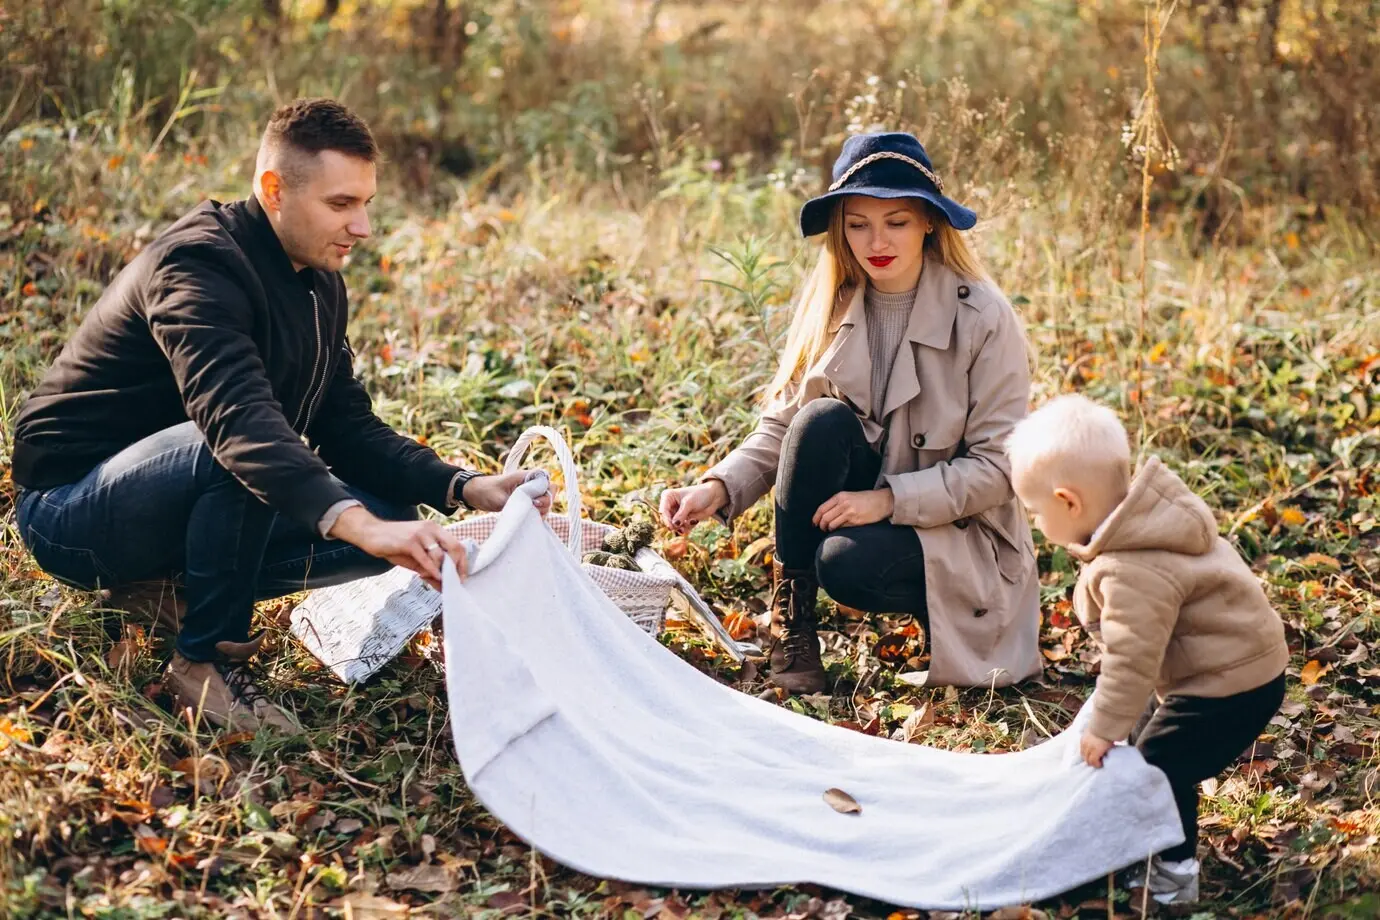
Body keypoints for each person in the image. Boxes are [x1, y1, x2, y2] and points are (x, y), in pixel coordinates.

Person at [10, 98, 550, 734]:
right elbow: (237, 422)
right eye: (341, 204)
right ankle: (203, 661)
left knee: (390, 517)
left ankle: (160, 591)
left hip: (179, 490)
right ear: (273, 190)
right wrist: (353, 524)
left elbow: (345, 423)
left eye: (367, 202)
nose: (364, 226)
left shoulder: (320, 281)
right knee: (239, 453)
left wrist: (460, 485)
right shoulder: (197, 266)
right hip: (71, 508)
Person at [660, 131, 1042, 693]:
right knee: (819, 421)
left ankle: (945, 617)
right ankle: (794, 623)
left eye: (897, 222)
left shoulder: (983, 316)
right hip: (874, 496)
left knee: (846, 562)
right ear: (840, 227)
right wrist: (718, 488)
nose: (876, 240)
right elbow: (785, 424)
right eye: (858, 223)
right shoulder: (835, 303)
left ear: (930, 222)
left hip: (958, 530)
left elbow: (1000, 468)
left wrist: (888, 501)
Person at [1007, 394, 1289, 904]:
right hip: (1226, 664)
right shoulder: (1147, 520)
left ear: (1069, 502)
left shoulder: (1130, 568)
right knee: (1138, 742)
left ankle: (1173, 877)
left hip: (1229, 684)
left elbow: (1132, 660)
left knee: (1158, 766)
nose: (1035, 523)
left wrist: (1103, 728)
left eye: (1035, 512)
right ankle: (1131, 837)